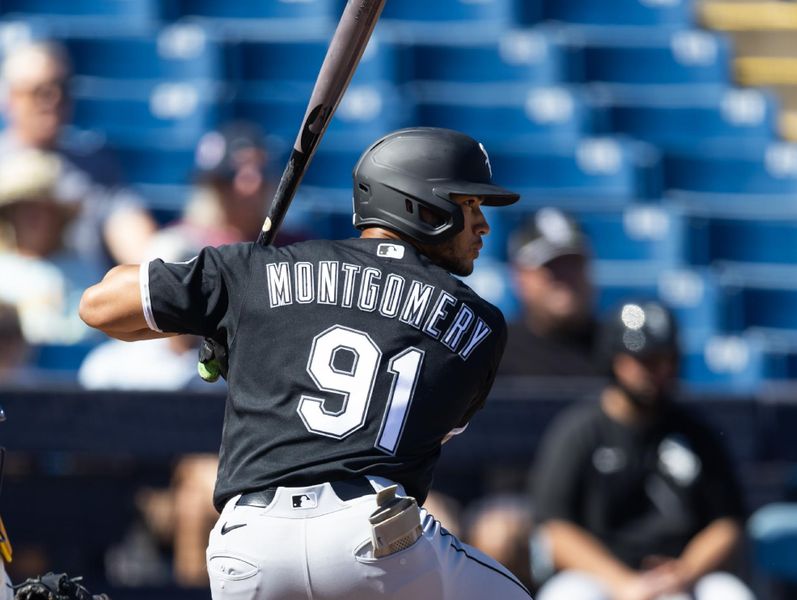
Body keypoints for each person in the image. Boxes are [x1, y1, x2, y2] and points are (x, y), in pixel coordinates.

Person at [79, 127, 534, 599]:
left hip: (247, 543)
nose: (482, 225)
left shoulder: (257, 269)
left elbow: (99, 306)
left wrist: (222, 313)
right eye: (469, 205)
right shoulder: (477, 320)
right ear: (420, 206)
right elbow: (422, 429)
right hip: (374, 539)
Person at [530, 300, 755, 600]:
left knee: (729, 594)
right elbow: (555, 530)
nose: (657, 371)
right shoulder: (580, 430)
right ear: (615, 359)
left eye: (665, 359)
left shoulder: (695, 432)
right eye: (644, 359)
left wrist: (685, 571)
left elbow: (727, 523)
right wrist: (623, 582)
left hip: (679, 577)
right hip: (600, 576)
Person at [0, 40, 156, 269]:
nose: (52, 100)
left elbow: (133, 237)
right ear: (11, 98)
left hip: (80, 294)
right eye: (39, 91)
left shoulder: (94, 164)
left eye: (61, 88)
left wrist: (157, 263)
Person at [146, 121, 291, 261]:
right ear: (212, 185)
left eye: (262, 172)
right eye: (232, 174)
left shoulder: (290, 248)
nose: (254, 184)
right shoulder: (177, 247)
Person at [0, 148, 101, 344]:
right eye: (25, 209)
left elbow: (89, 329)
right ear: (11, 215)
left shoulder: (81, 270)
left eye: (42, 211)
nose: (33, 219)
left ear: (56, 217)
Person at [497, 208, 598, 378]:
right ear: (520, 276)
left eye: (572, 263)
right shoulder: (495, 352)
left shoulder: (617, 353)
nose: (565, 276)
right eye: (551, 266)